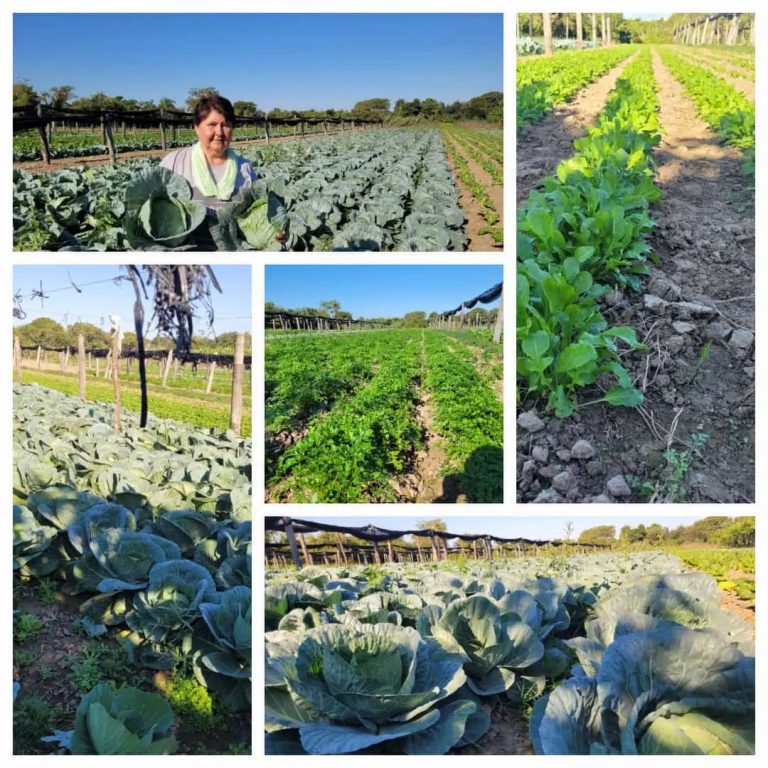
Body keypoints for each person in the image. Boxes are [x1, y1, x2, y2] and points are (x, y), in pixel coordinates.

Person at [160, 94, 257, 211]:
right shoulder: (174, 163)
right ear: (196, 128)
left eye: (226, 125)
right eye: (212, 125)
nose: (219, 132)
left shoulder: (245, 168)